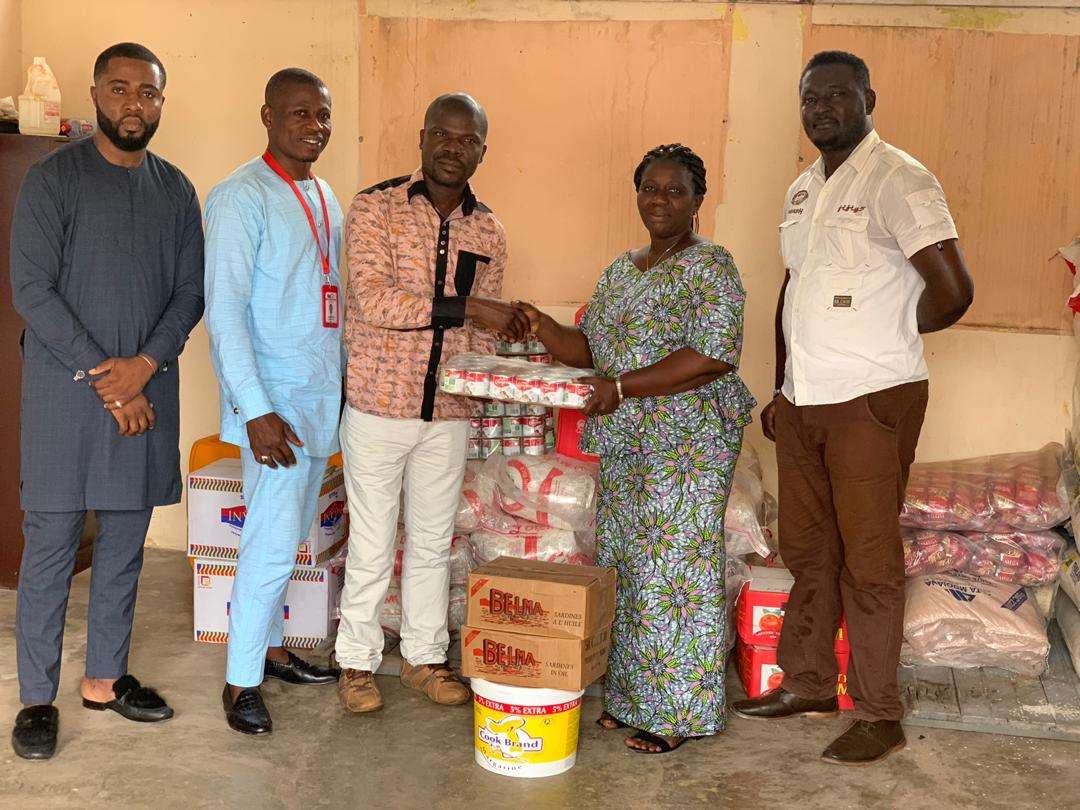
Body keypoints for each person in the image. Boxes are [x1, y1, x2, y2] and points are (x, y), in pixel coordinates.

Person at [731, 51, 973, 765]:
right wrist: (783, 386)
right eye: (811, 98)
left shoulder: (900, 179)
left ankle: (878, 712)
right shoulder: (803, 188)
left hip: (870, 399)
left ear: (870, 98)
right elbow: (795, 289)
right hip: (806, 402)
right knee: (810, 550)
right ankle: (808, 683)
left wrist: (885, 332)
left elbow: (953, 291)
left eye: (837, 95)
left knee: (868, 561)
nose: (822, 109)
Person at [516, 143, 756, 754]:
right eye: (650, 188)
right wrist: (540, 325)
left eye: (675, 190)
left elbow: (712, 356)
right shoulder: (623, 270)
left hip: (689, 441)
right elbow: (589, 349)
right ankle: (630, 699)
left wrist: (621, 387)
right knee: (627, 563)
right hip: (630, 439)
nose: (660, 200)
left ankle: (677, 713)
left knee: (675, 570)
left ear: (698, 200)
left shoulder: (711, 266)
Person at [9, 42, 204, 760]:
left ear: (161, 102)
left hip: (146, 392)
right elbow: (32, 290)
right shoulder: (52, 179)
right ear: (96, 95)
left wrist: (142, 367)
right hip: (65, 397)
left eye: (147, 92)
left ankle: (103, 679)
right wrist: (107, 376)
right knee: (51, 546)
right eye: (119, 89)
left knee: (124, 542)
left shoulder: (174, 190)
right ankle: (37, 698)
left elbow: (190, 293)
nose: (133, 103)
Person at [334, 93, 527, 713]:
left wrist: (506, 341)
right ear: (422, 138)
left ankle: (423, 659)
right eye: (442, 135)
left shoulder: (489, 230)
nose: (452, 148)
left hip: (447, 414)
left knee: (431, 543)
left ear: (482, 152)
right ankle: (356, 665)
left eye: (467, 140)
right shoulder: (375, 207)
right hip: (377, 406)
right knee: (370, 545)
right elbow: (374, 301)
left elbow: (483, 335)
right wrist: (468, 307)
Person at [204, 68, 343, 736]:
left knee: (289, 537)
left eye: (322, 115)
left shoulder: (323, 193)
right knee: (267, 541)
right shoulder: (240, 196)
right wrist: (255, 409)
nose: (314, 126)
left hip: (316, 398)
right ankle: (240, 682)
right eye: (299, 113)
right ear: (267, 116)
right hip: (274, 409)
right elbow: (225, 313)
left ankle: (271, 649)